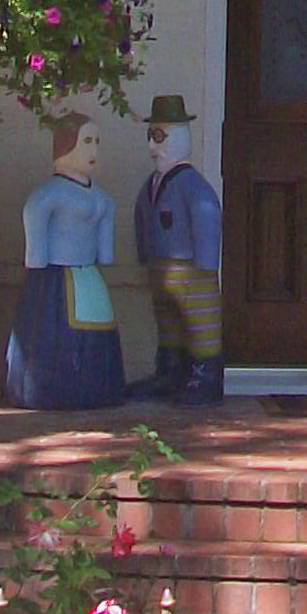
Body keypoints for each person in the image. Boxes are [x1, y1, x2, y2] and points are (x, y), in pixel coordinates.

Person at [3, 115, 125, 410]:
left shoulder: (102, 198)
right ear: (65, 145)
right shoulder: (50, 194)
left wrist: (104, 254)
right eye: (86, 141)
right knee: (52, 334)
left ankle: (97, 389)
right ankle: (50, 390)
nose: (93, 149)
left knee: (97, 332)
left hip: (89, 277)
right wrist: (37, 259)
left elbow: (105, 249)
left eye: (96, 141)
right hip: (53, 279)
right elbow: (34, 218)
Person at [133, 94, 224, 404]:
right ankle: (170, 372)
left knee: (200, 324)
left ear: (182, 136)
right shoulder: (152, 184)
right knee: (168, 323)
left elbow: (206, 213)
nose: (153, 146)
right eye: (150, 137)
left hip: (191, 271)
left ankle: (205, 377)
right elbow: (142, 216)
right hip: (160, 268)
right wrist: (144, 254)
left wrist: (207, 263)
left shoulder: (192, 185)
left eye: (160, 137)